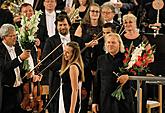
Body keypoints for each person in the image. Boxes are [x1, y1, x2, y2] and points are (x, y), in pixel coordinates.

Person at [0, 24, 40, 113]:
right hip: (6, 91)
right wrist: (20, 58)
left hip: (17, 90)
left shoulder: (17, 48)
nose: (15, 38)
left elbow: (18, 69)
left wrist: (26, 74)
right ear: (4, 37)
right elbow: (4, 67)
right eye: (11, 36)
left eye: (15, 35)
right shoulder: (1, 49)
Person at [41, 13, 75, 113]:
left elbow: (83, 60)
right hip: (56, 78)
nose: (62, 27)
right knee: (55, 106)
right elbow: (45, 61)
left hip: (74, 79)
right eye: (60, 25)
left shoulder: (78, 40)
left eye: (64, 24)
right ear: (56, 26)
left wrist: (74, 69)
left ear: (69, 25)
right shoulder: (50, 41)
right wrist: (62, 69)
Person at [92, 33, 134, 113]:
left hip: (123, 100)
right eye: (108, 42)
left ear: (119, 44)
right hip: (105, 100)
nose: (110, 45)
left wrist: (128, 76)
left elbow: (136, 74)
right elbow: (97, 82)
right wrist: (95, 101)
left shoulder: (127, 58)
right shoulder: (101, 59)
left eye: (113, 42)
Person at [121, 13, 154, 113]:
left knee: (139, 102)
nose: (128, 24)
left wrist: (139, 64)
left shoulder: (142, 38)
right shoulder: (121, 38)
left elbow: (151, 57)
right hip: (125, 74)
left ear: (135, 23)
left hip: (139, 74)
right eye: (125, 22)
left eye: (130, 22)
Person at [58, 41, 85, 113]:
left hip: (70, 101)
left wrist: (72, 110)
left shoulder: (73, 67)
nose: (65, 54)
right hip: (65, 97)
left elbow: (75, 90)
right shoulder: (68, 65)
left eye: (68, 52)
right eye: (64, 51)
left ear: (74, 54)